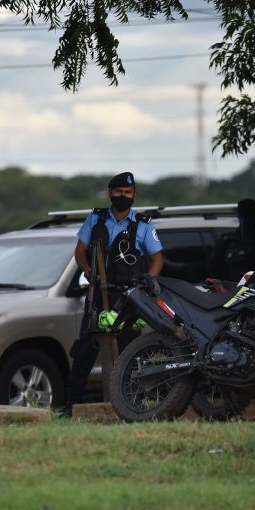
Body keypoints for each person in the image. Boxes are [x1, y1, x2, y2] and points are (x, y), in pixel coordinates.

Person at [59, 172, 164, 417]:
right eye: (118, 192)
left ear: (134, 195)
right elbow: (80, 251)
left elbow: (158, 259)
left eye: (128, 193)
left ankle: (135, 406)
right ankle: (69, 407)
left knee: (131, 352)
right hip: (97, 295)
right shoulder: (95, 220)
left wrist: (147, 283)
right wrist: (87, 271)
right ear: (110, 193)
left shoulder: (143, 225)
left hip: (129, 297)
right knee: (85, 352)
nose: (123, 197)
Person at [214, 198, 255, 282]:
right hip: (236, 291)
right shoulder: (227, 241)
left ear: (238, 215)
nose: (248, 221)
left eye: (249, 217)